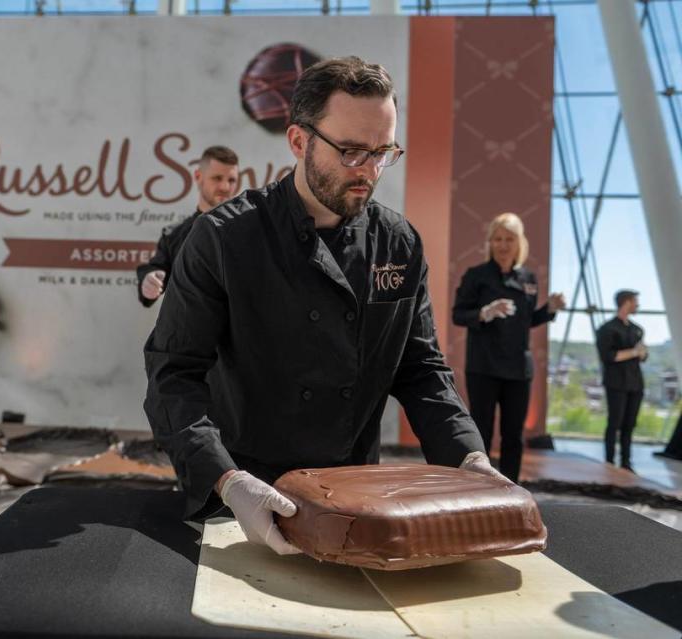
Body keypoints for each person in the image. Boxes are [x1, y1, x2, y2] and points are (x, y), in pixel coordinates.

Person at [144, 57, 499, 556]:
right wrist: (224, 480)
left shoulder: (398, 244)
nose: (370, 171)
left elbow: (420, 369)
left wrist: (469, 458)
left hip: (356, 497)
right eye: (352, 151)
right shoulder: (225, 239)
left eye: (383, 152)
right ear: (298, 141)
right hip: (246, 494)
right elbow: (172, 375)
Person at [451, 213, 565, 483]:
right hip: (484, 366)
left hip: (518, 368)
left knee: (513, 434)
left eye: (509, 239)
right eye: (498, 239)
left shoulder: (528, 278)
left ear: (519, 243)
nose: (503, 245)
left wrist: (548, 309)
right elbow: (459, 314)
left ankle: (511, 487)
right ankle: (477, 485)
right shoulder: (476, 276)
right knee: (482, 430)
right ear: (490, 242)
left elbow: (527, 321)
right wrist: (484, 313)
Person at [136, 146, 240, 307]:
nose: (225, 187)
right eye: (217, 178)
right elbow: (156, 270)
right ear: (198, 176)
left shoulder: (249, 230)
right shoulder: (174, 234)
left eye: (231, 180)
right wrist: (149, 280)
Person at [596, 289, 647, 472]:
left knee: (629, 424)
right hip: (616, 382)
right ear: (626, 302)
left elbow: (642, 356)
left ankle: (626, 462)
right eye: (635, 301)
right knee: (615, 422)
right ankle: (609, 461)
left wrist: (640, 353)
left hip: (635, 382)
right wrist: (634, 352)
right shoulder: (607, 329)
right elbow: (608, 356)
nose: (638, 305)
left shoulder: (637, 329)